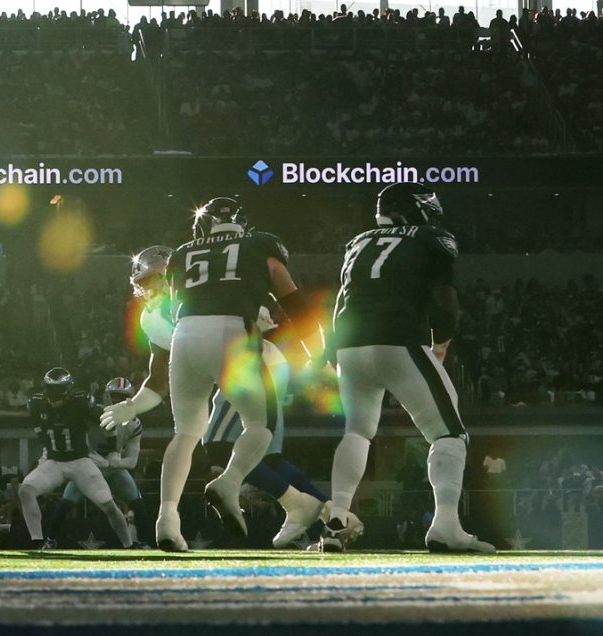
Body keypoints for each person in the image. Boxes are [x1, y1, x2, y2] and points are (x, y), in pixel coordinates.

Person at [102, 199, 298, 551]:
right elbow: (156, 379)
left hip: (192, 342)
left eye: (156, 279)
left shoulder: (167, 293)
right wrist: (131, 405)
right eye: (145, 282)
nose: (150, 288)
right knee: (256, 426)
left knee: (189, 434)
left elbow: (161, 373)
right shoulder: (154, 314)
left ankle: (167, 519)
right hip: (234, 341)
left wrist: (132, 406)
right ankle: (232, 484)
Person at [314, 183, 493, 553]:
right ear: (415, 209)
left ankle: (337, 521)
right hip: (398, 340)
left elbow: (339, 299)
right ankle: (446, 525)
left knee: (358, 432)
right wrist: (441, 339)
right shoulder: (432, 237)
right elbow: (444, 297)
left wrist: (333, 350)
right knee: (448, 433)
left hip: (350, 345)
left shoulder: (358, 242)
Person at [17, 369, 134, 550]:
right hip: (54, 462)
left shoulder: (81, 401)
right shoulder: (36, 404)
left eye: (58, 390)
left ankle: (129, 545)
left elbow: (107, 420)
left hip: (80, 462)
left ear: (68, 390)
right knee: (26, 490)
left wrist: (113, 450)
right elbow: (39, 429)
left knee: (108, 504)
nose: (54, 395)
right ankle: (38, 542)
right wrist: (46, 449)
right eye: (51, 389)